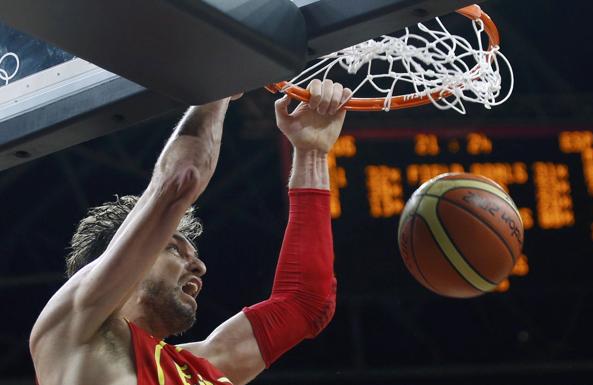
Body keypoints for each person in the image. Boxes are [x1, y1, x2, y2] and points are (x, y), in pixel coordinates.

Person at [29, 79, 352, 385]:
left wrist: (311, 152)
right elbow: (183, 177)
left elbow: (306, 302)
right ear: (121, 255)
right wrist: (217, 86)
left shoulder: (199, 366)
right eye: (173, 249)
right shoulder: (73, 329)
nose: (199, 266)